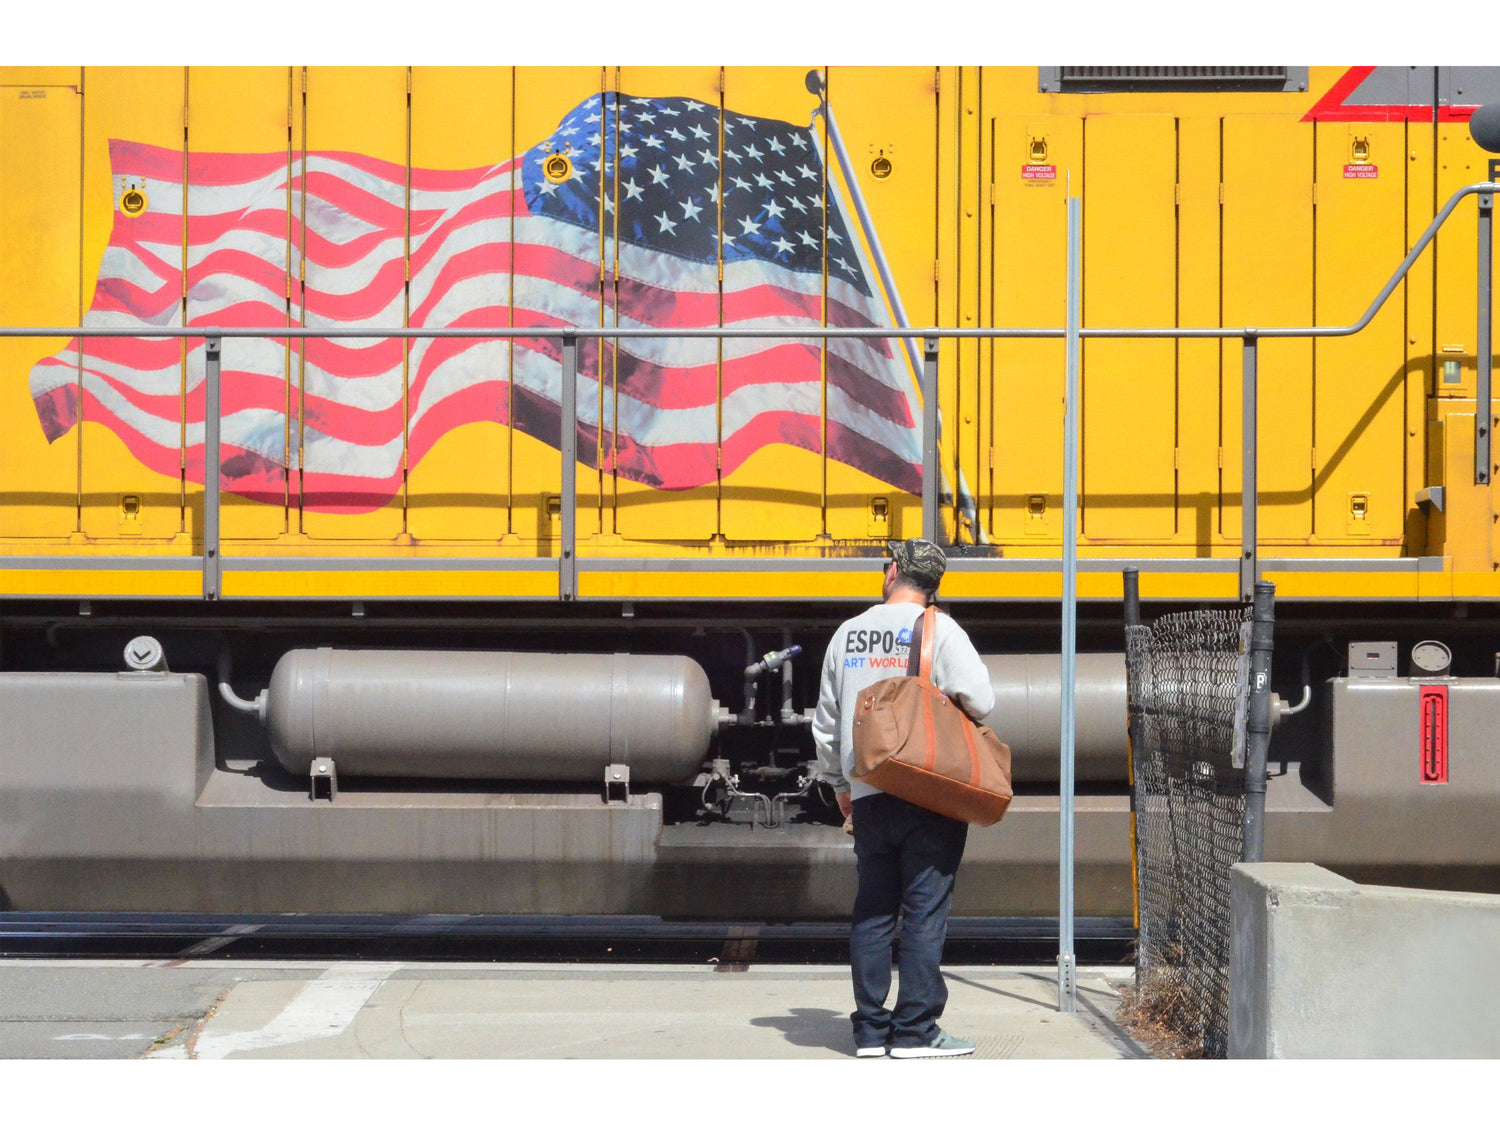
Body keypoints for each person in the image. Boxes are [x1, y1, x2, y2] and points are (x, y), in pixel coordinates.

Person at [812, 537, 996, 1059]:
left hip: (870, 792)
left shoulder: (848, 634)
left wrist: (842, 787)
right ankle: (915, 1031)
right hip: (929, 791)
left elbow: (825, 723)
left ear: (893, 572)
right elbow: (981, 699)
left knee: (873, 909)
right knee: (923, 910)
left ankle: (870, 1031)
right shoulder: (940, 630)